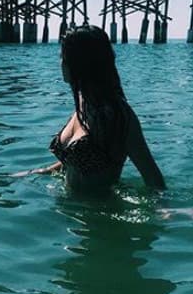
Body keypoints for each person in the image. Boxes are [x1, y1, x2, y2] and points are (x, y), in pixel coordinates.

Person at [19, 25, 166, 195]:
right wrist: (37, 173)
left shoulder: (118, 116)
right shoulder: (84, 105)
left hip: (100, 213)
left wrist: (168, 209)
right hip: (69, 213)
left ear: (80, 63)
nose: (60, 63)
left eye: (63, 57)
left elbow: (152, 177)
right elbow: (73, 161)